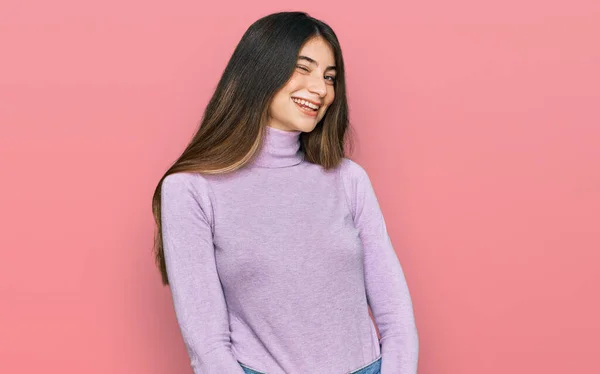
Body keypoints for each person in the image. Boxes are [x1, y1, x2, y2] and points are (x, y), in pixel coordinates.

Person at [151, 11, 419, 374]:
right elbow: (207, 344)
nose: (321, 89)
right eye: (303, 68)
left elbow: (396, 314)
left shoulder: (348, 179)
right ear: (260, 71)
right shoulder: (190, 190)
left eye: (329, 77)